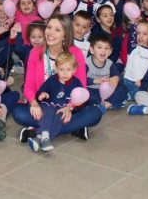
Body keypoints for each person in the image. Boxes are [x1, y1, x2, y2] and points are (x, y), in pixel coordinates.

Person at [13, 13, 91, 142]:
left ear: (65, 35)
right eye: (49, 27)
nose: (50, 32)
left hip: (66, 104)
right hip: (44, 106)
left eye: (57, 30)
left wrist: (69, 107)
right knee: (18, 113)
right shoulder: (35, 52)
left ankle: (38, 130)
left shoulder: (75, 53)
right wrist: (33, 103)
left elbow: (81, 88)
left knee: (95, 113)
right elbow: (29, 85)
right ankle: (73, 127)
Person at [28, 51, 101, 152]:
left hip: (64, 109)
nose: (65, 73)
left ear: (74, 70)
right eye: (61, 69)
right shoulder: (52, 79)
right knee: (47, 112)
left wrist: (72, 107)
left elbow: (81, 100)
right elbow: (42, 91)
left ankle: (40, 138)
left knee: (60, 119)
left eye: (68, 70)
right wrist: (42, 94)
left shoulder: (76, 82)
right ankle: (44, 136)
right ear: (56, 68)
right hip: (49, 105)